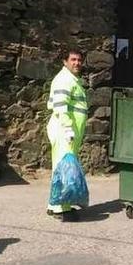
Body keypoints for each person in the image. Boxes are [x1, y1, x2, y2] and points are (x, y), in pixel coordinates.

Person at [46, 49, 88, 222]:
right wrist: (68, 128)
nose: (76, 63)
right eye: (73, 59)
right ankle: (61, 208)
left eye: (79, 60)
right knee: (64, 169)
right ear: (65, 61)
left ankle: (54, 204)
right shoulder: (64, 80)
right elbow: (61, 107)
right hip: (64, 130)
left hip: (69, 131)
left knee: (61, 167)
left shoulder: (73, 80)